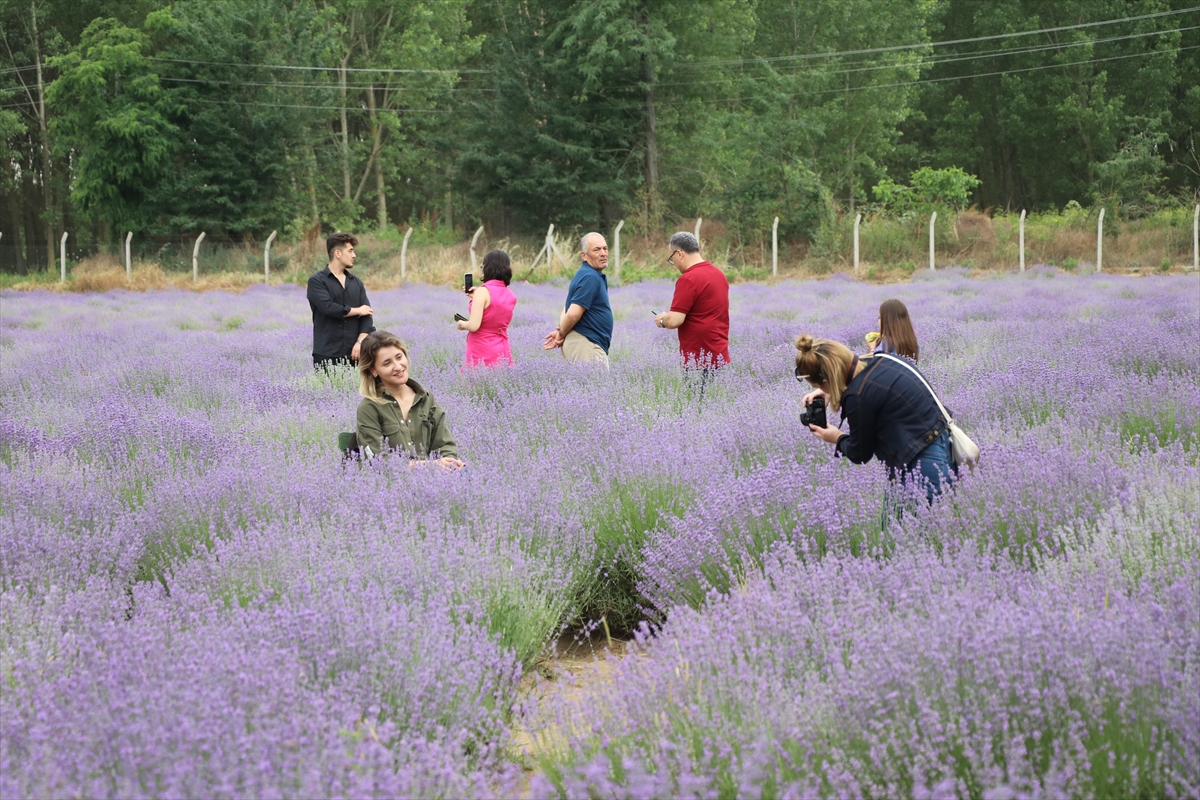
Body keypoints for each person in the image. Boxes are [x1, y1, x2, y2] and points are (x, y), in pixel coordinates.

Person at [795, 334, 955, 504]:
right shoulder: (885, 358)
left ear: (827, 380)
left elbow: (860, 453)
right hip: (939, 444)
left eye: (819, 385)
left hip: (920, 465)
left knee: (906, 528)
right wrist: (830, 390)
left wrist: (838, 438)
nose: (820, 389)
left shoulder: (858, 396)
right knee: (902, 527)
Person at [355, 330, 464, 469]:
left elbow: (444, 444)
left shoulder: (426, 399)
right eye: (387, 363)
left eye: (399, 357)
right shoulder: (369, 408)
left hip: (433, 483)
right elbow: (377, 460)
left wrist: (449, 463)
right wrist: (429, 466)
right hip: (390, 487)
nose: (398, 367)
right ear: (373, 370)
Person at [653, 231, 730, 370]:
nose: (673, 264)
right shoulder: (719, 274)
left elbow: (675, 320)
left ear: (679, 254)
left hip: (698, 361)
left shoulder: (689, 279)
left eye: (672, 258)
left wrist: (663, 320)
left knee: (697, 392)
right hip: (720, 356)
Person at [543, 232, 613, 366]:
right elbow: (573, 314)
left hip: (586, 343)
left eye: (605, 248)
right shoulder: (590, 277)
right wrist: (561, 334)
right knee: (595, 386)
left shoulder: (587, 274)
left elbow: (567, 307)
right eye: (597, 249)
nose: (603, 253)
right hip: (586, 344)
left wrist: (561, 332)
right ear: (584, 256)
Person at [307, 232, 374, 369]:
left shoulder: (356, 283)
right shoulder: (317, 281)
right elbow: (329, 308)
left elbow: (367, 316)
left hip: (356, 354)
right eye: (350, 251)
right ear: (338, 253)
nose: (354, 255)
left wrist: (360, 342)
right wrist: (357, 310)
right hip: (326, 355)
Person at [457, 249, 517, 367]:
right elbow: (494, 310)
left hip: (481, 348)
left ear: (488, 268)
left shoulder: (482, 292)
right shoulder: (511, 295)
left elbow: (474, 326)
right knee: (501, 382)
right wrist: (476, 298)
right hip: (502, 348)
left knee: (475, 383)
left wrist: (461, 323)